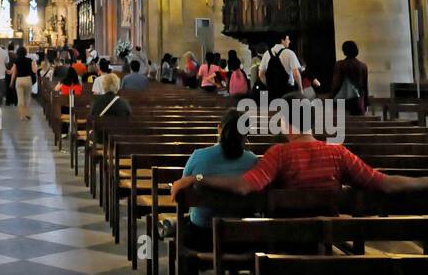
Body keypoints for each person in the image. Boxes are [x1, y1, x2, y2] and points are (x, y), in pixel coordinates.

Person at [171, 93, 428, 202]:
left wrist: (197, 177)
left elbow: (243, 186)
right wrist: (422, 182)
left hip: (286, 239)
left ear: (285, 122)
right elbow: (383, 182)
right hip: (328, 240)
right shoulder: (338, 153)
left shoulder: (279, 154)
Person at [174, 109, 259, 275]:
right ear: (246, 134)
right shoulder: (253, 161)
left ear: (219, 130)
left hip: (203, 236)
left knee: (183, 232)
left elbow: (181, 194)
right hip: (241, 238)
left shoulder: (199, 156)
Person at [330, 40, 369, 116]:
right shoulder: (363, 66)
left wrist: (330, 98)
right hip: (358, 102)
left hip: (342, 102)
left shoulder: (340, 65)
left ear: (344, 51)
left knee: (343, 125)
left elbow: (336, 84)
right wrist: (366, 103)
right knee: (358, 125)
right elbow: (365, 86)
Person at [258, 32, 302, 97]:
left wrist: (268, 85)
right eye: (288, 39)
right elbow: (296, 74)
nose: (289, 41)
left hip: (272, 91)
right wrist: (300, 89)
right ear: (282, 40)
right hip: (288, 90)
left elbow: (261, 75)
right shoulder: (290, 53)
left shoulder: (267, 53)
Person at [9, 44, 37, 119]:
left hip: (19, 80)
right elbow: (34, 70)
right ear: (25, 52)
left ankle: (22, 115)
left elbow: (14, 73)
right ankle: (27, 113)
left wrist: (11, 82)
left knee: (20, 98)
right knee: (27, 97)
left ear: (17, 53)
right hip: (28, 79)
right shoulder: (30, 60)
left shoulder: (16, 61)